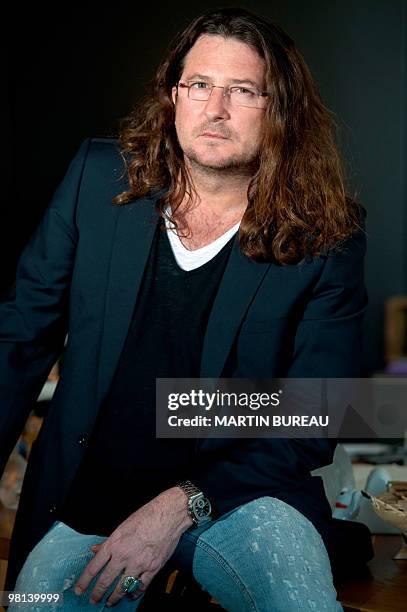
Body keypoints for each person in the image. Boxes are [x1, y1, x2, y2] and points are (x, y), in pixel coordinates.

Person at [0, 7, 372, 611]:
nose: (215, 109)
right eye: (199, 85)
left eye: (242, 91)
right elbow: (17, 341)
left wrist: (182, 500)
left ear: (281, 111)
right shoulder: (97, 179)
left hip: (240, 499)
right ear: (174, 95)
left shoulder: (326, 235)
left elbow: (322, 411)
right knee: (38, 605)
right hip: (88, 497)